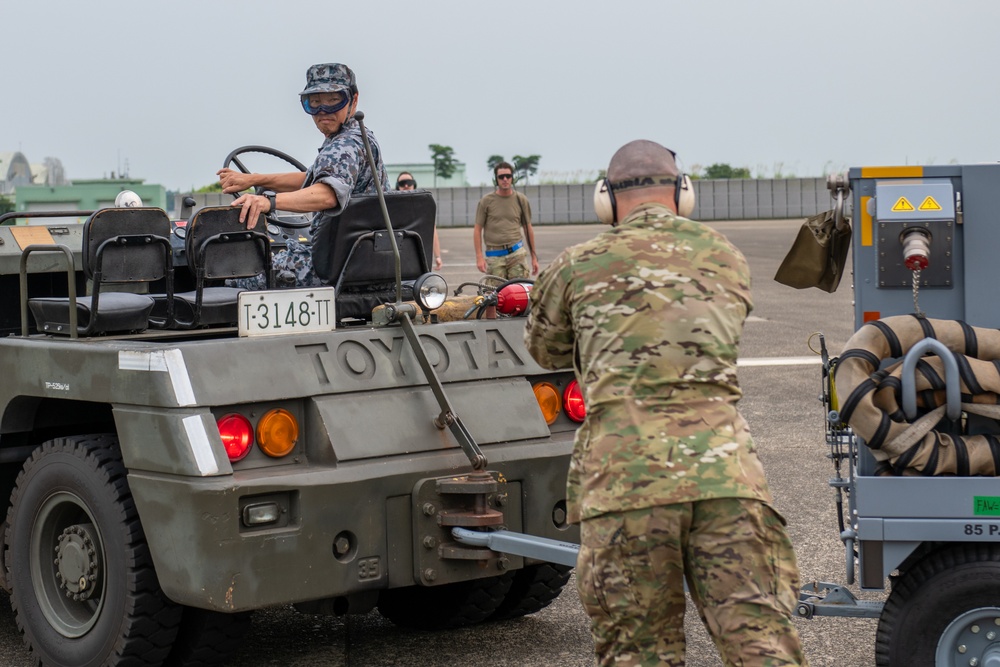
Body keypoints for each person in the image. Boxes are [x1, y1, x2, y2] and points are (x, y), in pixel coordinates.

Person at [524, 140, 808, 667]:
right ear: (683, 193)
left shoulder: (575, 266)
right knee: (762, 646)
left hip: (625, 488)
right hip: (727, 480)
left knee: (639, 653)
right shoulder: (725, 255)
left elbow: (546, 349)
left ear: (604, 199)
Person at [216, 62, 389, 288]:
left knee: (232, 278)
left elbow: (327, 195)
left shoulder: (346, 145)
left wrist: (267, 202)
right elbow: (314, 178)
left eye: (333, 101)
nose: (322, 112)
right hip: (363, 261)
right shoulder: (354, 138)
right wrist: (255, 180)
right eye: (314, 103)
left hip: (332, 267)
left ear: (353, 100)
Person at [473, 162, 538, 279]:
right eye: (501, 177)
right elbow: (477, 230)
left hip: (516, 254)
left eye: (508, 176)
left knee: (519, 291)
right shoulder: (486, 201)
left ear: (513, 178)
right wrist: (479, 256)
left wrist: (534, 256)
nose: (505, 179)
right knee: (496, 294)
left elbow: (528, 228)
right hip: (495, 256)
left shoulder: (521, 200)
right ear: (496, 179)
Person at [396, 172, 442, 270]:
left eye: (409, 182)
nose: (406, 185)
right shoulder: (392, 205)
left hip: (418, 254)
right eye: (402, 183)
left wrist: (437, 256)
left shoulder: (422, 205)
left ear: (414, 184)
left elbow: (432, 231)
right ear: (397, 186)